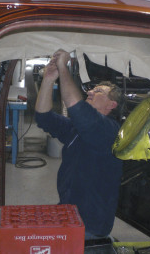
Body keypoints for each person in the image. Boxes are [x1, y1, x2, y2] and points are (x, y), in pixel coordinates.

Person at [35, 49, 124, 240]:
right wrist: (49, 79)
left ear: (112, 105)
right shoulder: (79, 129)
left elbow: (76, 106)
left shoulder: (109, 130)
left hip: (89, 225)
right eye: (92, 89)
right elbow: (43, 117)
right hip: (69, 214)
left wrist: (63, 68)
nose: (90, 92)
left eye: (98, 91)